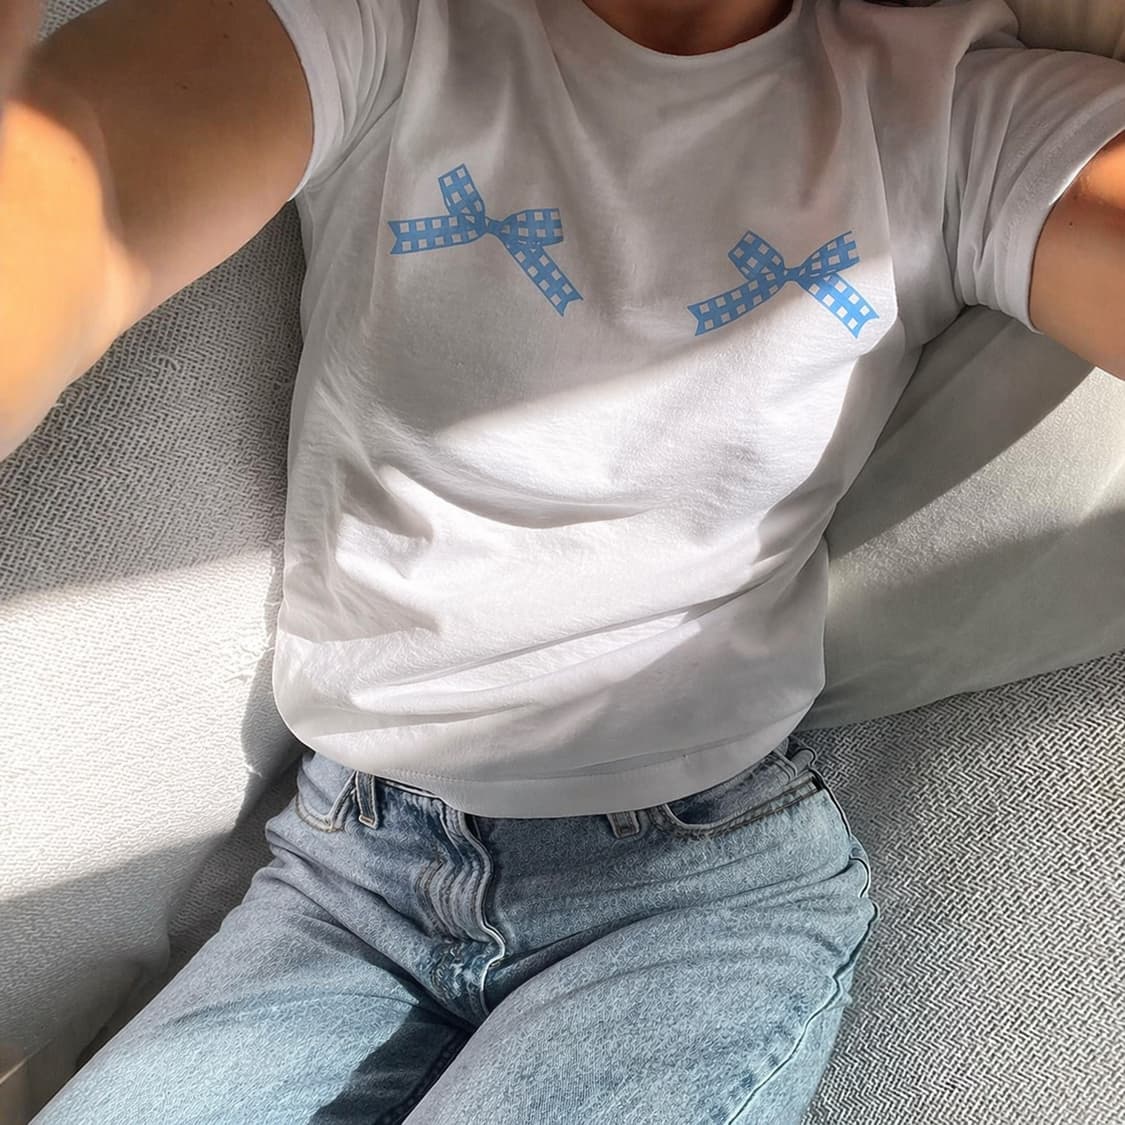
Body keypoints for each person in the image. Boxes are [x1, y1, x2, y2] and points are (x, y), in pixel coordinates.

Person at [3, 0, 1124, 1120]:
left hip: (689, 889)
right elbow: (86, 188)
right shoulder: (389, 25)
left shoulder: (950, 111)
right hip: (341, 875)